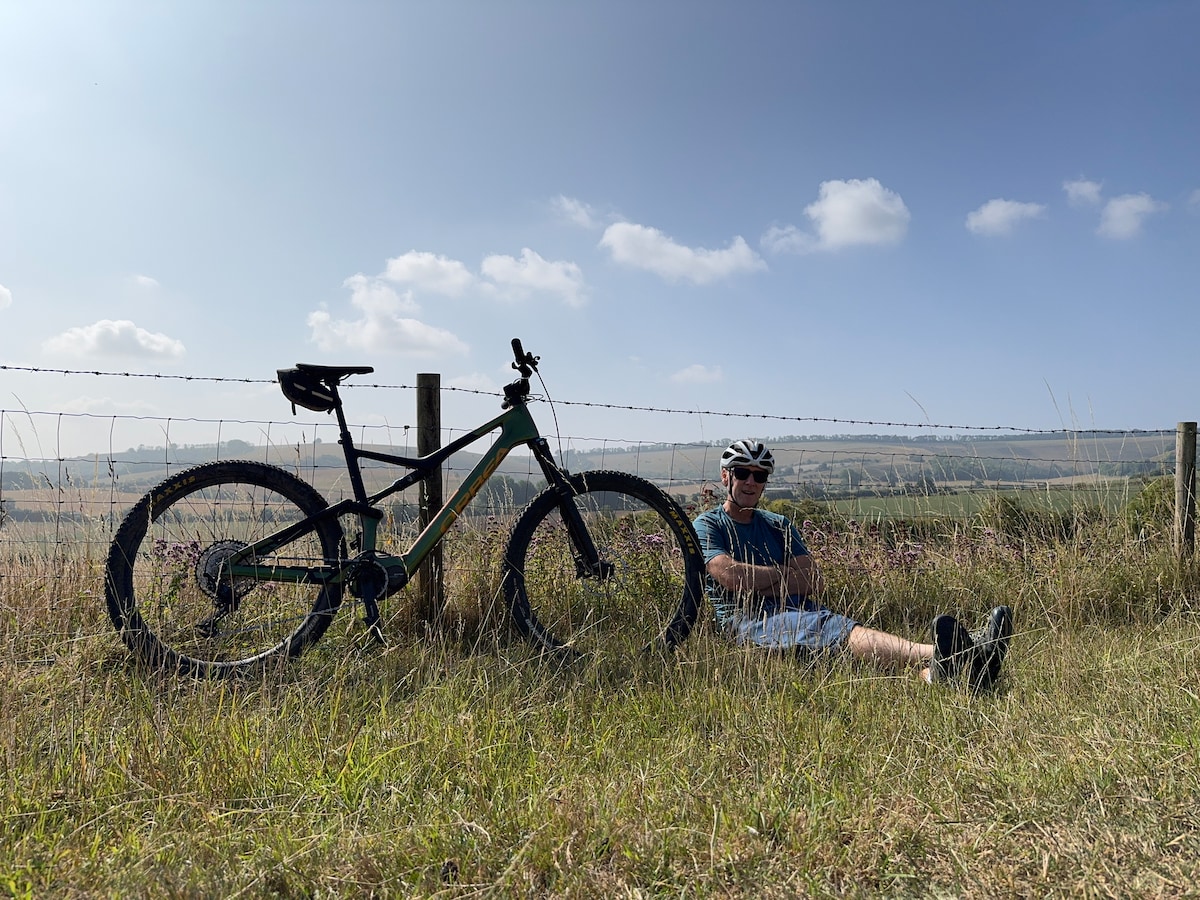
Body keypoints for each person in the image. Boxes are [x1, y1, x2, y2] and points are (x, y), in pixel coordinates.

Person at [691, 440, 1012, 688]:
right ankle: (959, 654)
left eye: (759, 475)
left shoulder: (778, 523)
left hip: (803, 611)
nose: (751, 482)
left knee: (851, 650)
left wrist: (761, 579)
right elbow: (729, 575)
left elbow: (814, 582)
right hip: (748, 621)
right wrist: (784, 575)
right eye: (743, 472)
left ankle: (941, 676)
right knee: (847, 634)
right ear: (725, 476)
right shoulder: (709, 524)